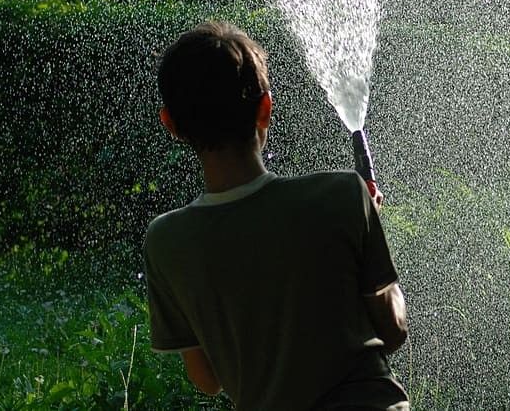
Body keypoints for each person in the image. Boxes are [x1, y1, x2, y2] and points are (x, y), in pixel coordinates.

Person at [144, 21, 409, 410]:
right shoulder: (342, 196)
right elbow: (393, 329)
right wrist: (370, 223)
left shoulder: (166, 241)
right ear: (265, 108)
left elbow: (208, 380)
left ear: (171, 125)